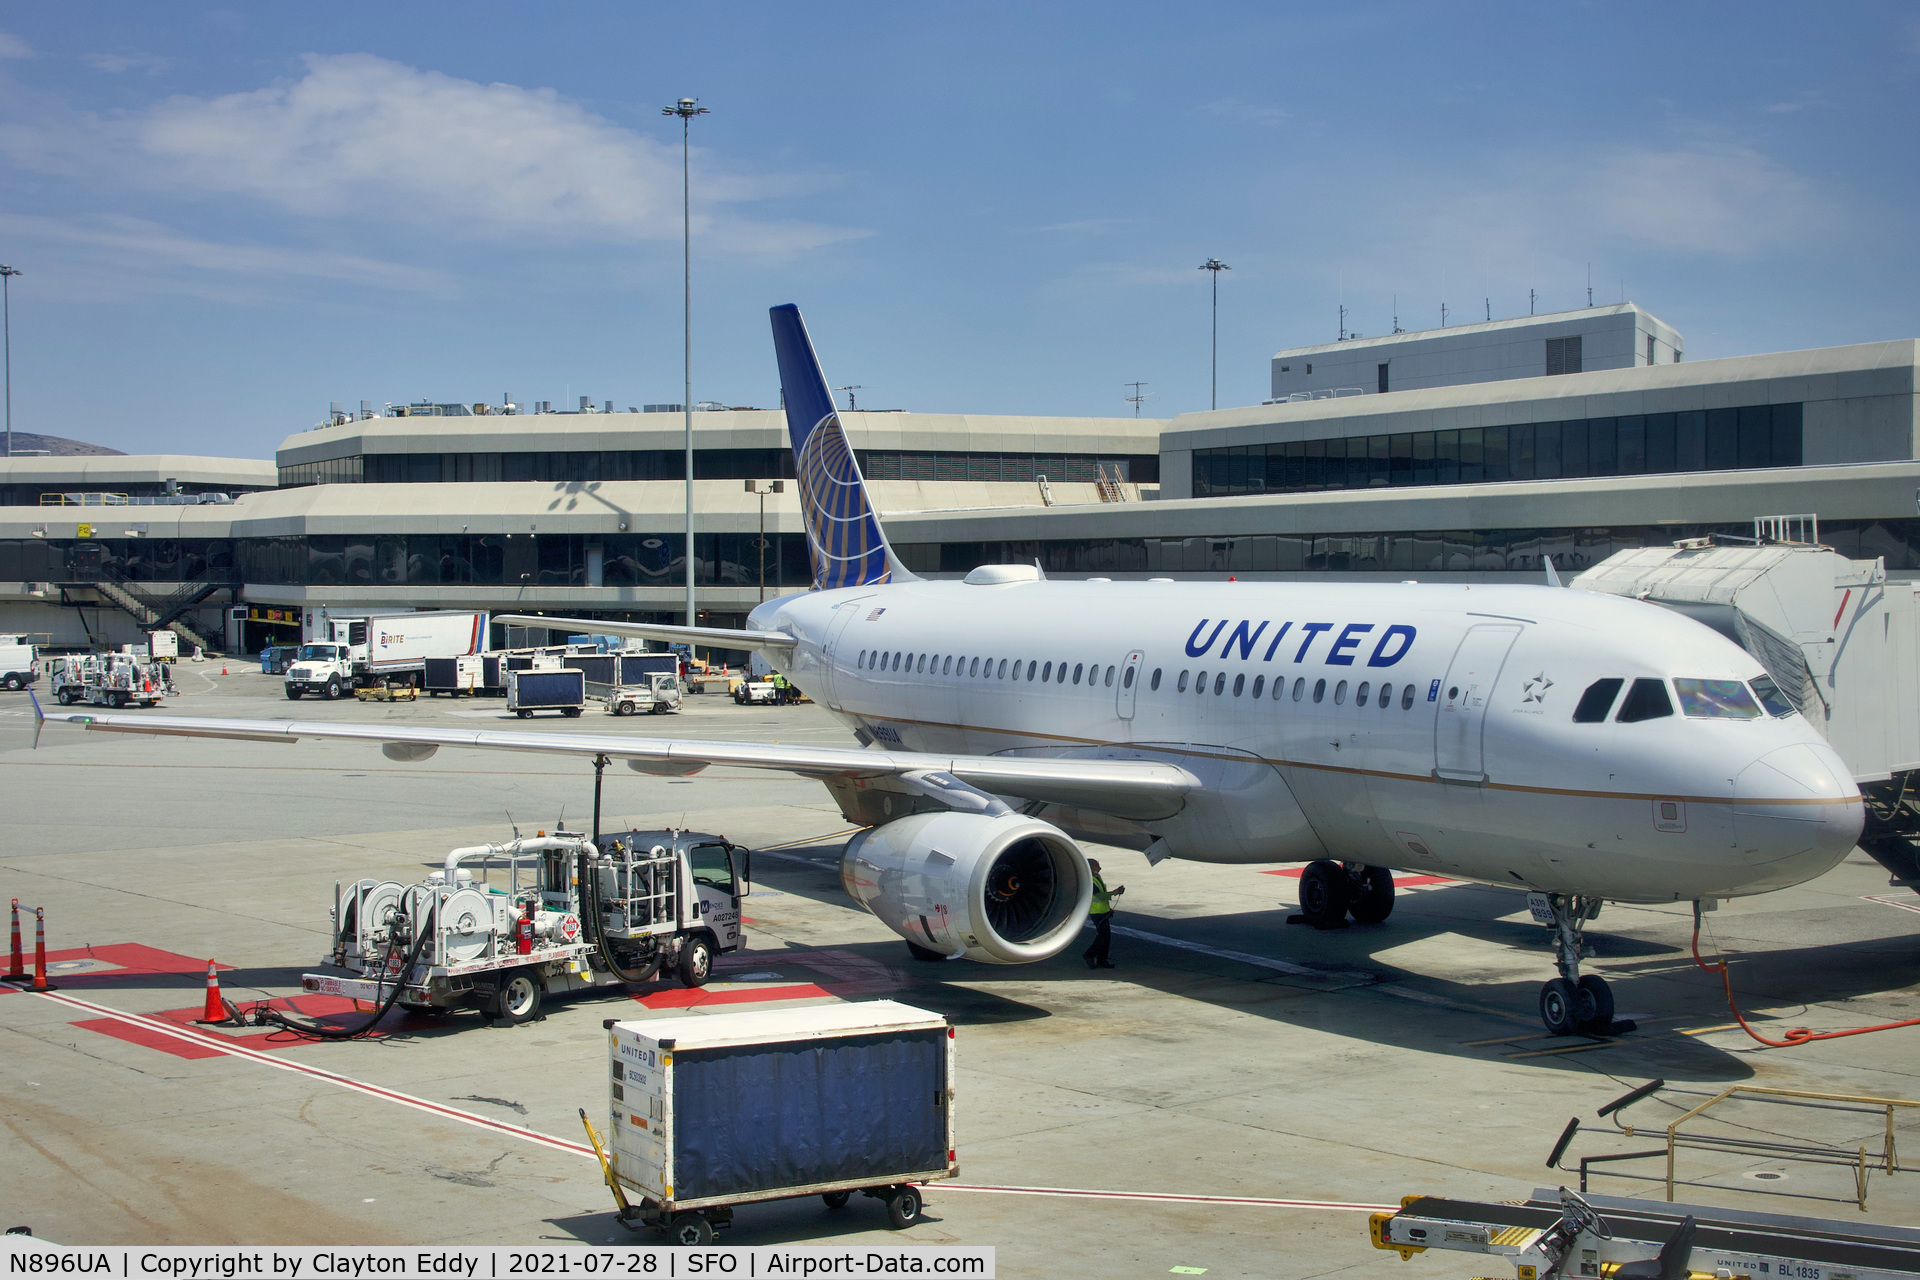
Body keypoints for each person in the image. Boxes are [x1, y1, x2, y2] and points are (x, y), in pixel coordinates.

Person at [1082, 858, 1124, 969]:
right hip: (1097, 913)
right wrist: (1115, 892)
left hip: (1103, 911)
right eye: (1096, 866)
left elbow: (1102, 895)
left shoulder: (1097, 877)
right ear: (1091, 868)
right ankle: (1089, 955)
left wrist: (1108, 909)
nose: (1099, 868)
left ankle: (1102, 960)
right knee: (1103, 936)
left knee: (1106, 936)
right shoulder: (1090, 880)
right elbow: (1100, 896)